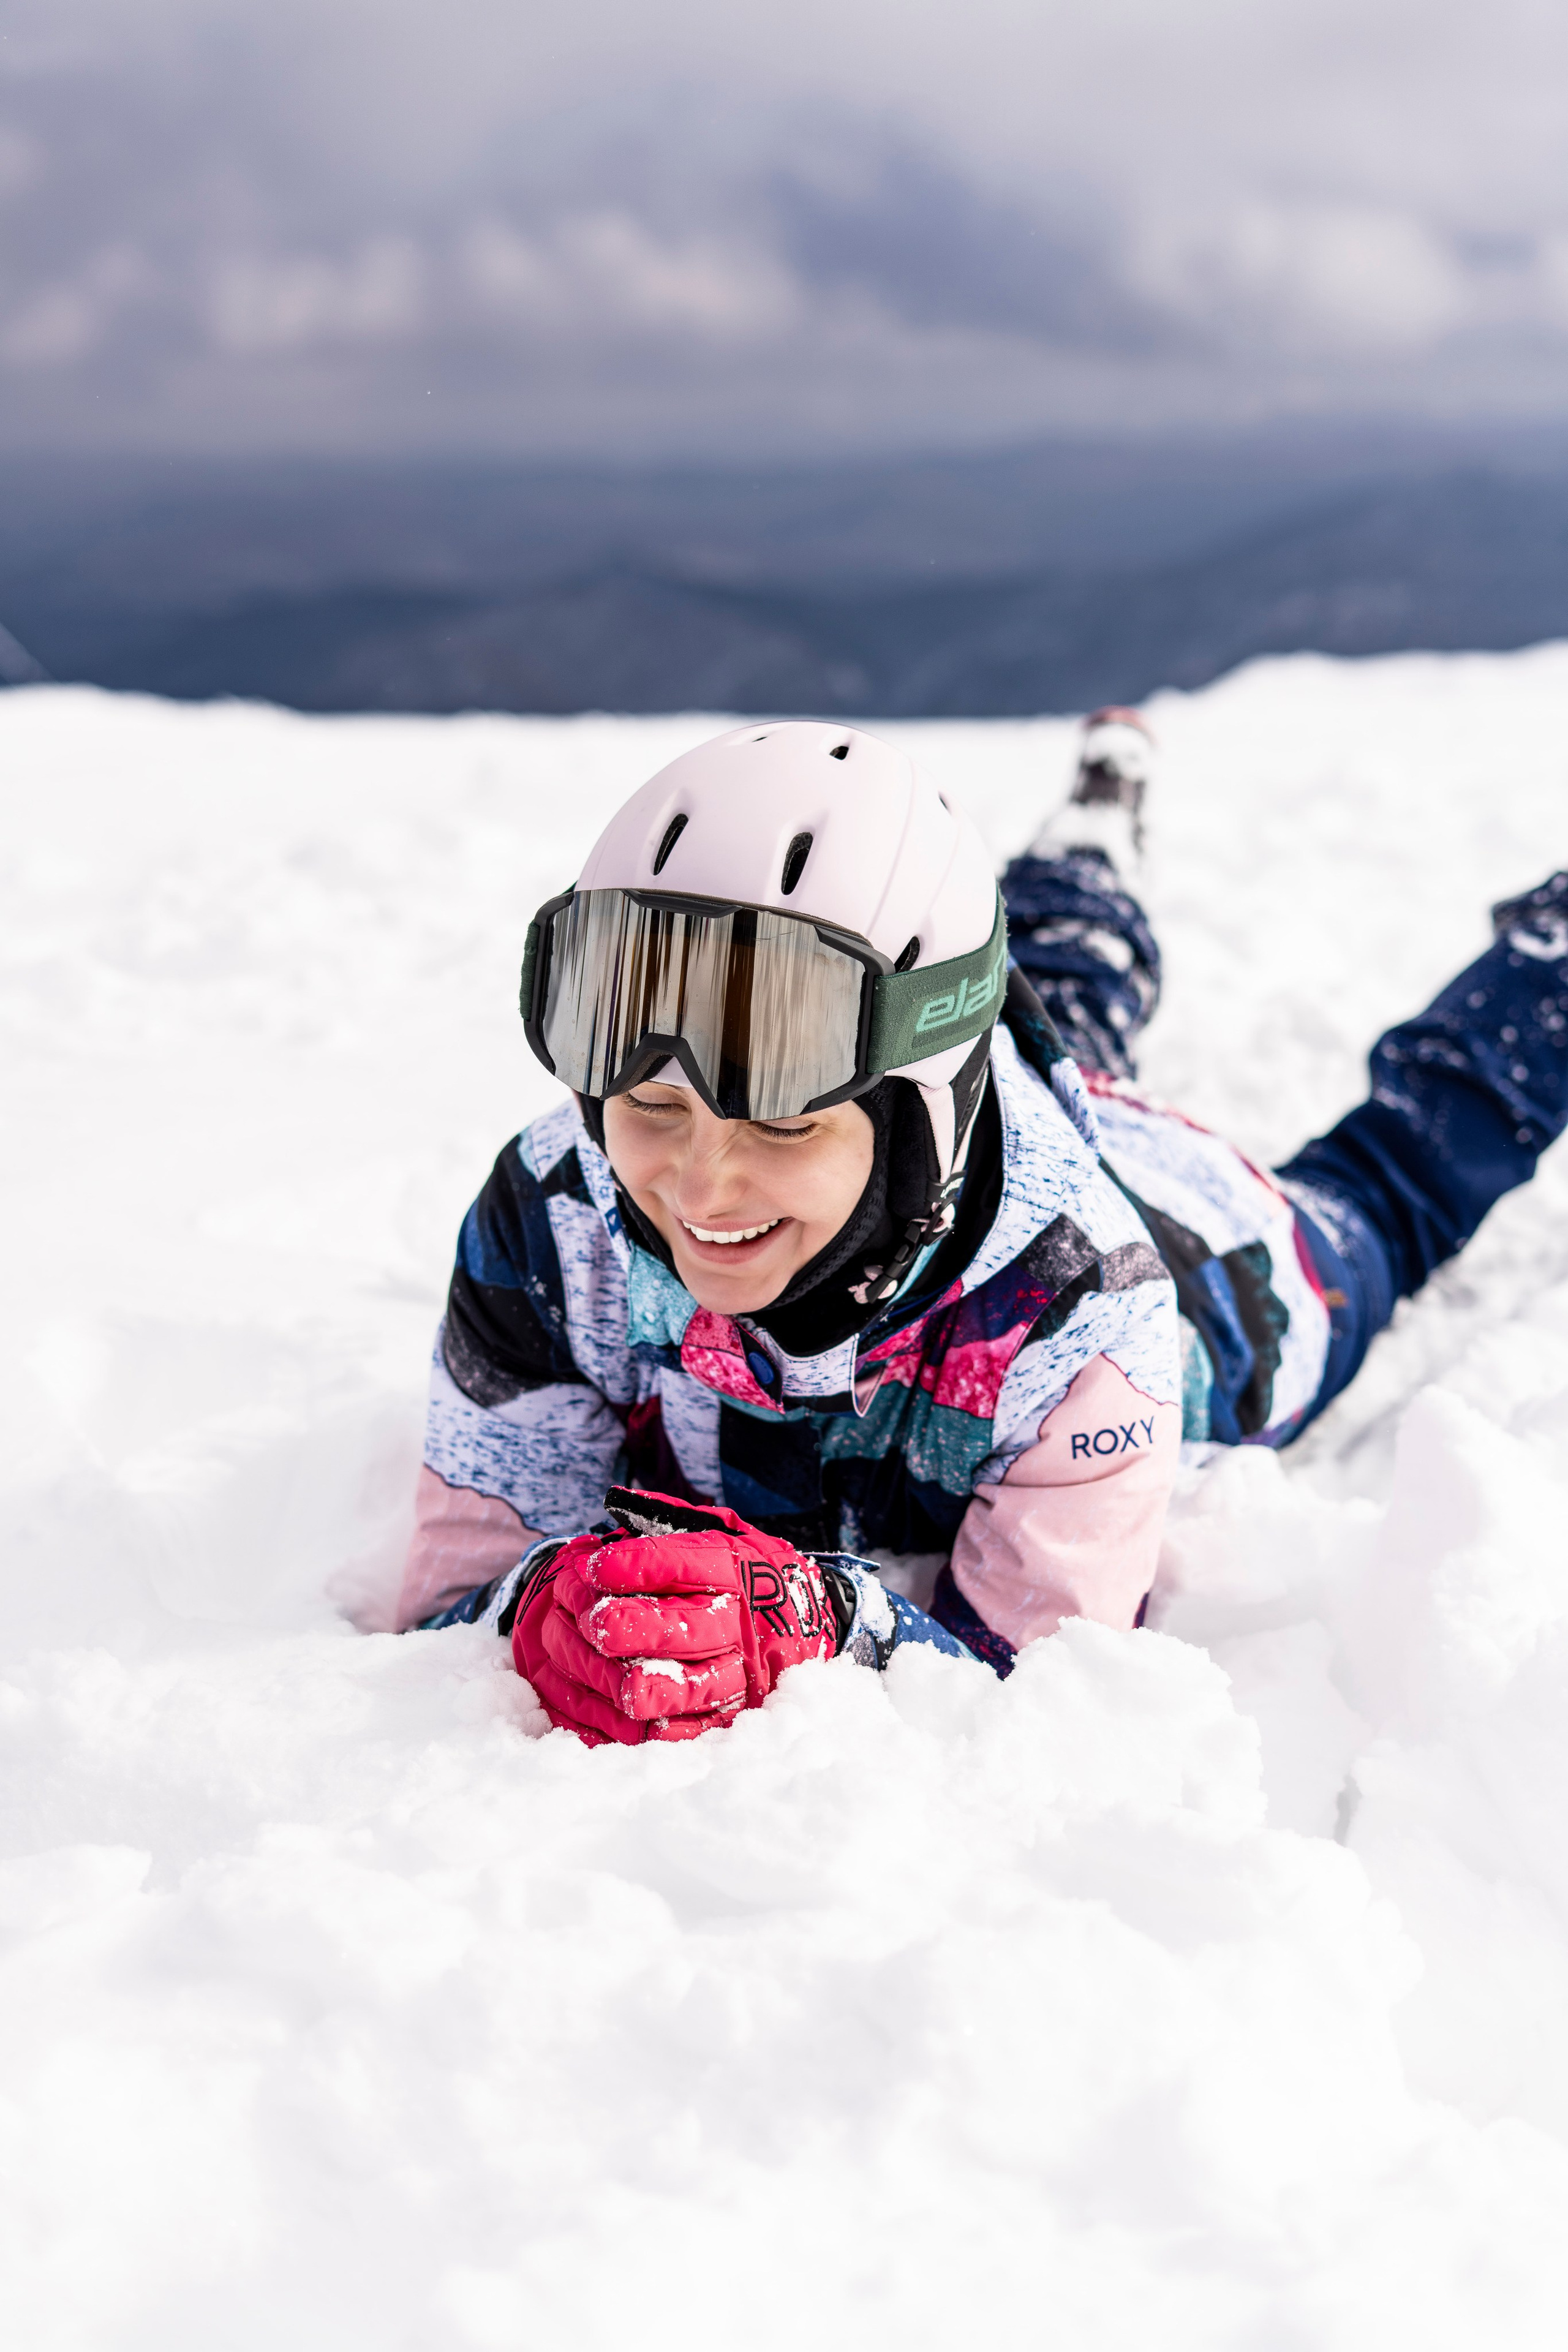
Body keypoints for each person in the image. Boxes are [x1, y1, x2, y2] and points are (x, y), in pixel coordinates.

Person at [395, 715, 1568, 1744]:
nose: (703, 1183)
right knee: (1066, 988)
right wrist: (545, 1607)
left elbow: (1037, 1678)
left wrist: (825, 1624)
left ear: (919, 1120)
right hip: (982, 1147)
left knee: (1392, 1182)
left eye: (786, 1124)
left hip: (1211, 1264)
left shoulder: (1088, 1322)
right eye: (653, 1106)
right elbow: (460, 1588)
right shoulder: (554, 1218)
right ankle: (1091, 835)